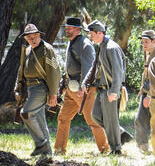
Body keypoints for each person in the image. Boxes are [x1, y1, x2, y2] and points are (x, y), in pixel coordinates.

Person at [54, 17, 109, 155]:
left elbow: (89, 69)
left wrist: (83, 88)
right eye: (66, 28)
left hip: (83, 90)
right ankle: (59, 150)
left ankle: (105, 149)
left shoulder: (85, 45)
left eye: (70, 28)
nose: (67, 30)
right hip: (71, 89)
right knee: (63, 118)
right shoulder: (71, 43)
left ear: (78, 29)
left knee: (92, 120)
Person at [82, 20, 132, 155]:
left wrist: (114, 91)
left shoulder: (111, 48)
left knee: (110, 121)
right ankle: (121, 133)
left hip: (110, 89)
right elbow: (95, 66)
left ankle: (116, 149)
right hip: (102, 89)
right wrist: (85, 81)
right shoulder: (102, 47)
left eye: (92, 33)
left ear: (99, 33)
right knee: (96, 115)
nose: (90, 36)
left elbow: (118, 71)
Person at [14, 24, 61, 156]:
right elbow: (21, 70)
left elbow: (54, 72)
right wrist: (17, 88)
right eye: (30, 38)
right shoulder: (27, 50)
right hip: (29, 88)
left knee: (26, 113)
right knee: (40, 120)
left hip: (41, 88)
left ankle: (42, 145)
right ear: (26, 39)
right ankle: (47, 154)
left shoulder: (47, 49)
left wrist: (53, 94)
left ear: (39, 35)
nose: (33, 39)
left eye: (35, 36)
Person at [134, 30, 155, 152]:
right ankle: (143, 146)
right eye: (142, 42)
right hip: (147, 92)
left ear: (154, 42)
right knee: (141, 119)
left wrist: (149, 95)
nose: (143, 45)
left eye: (146, 42)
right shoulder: (148, 54)